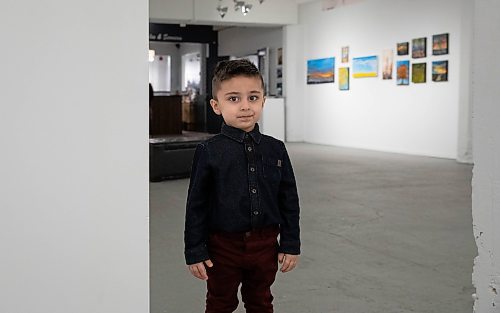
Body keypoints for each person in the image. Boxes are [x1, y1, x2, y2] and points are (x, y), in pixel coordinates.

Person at [184, 59, 301, 313]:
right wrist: (195, 250)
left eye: (253, 97)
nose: (245, 106)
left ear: (263, 101)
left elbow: (289, 199)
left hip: (265, 246)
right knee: (220, 303)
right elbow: (196, 205)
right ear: (217, 105)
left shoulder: (276, 148)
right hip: (222, 247)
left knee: (261, 301)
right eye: (234, 99)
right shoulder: (208, 151)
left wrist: (290, 243)